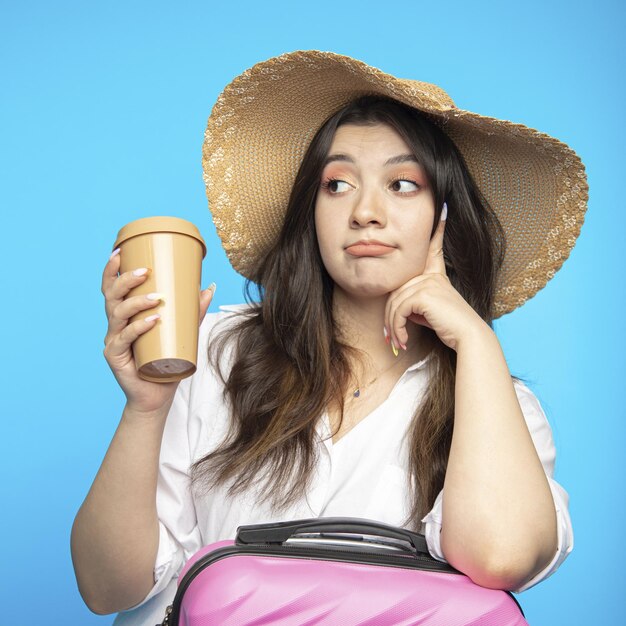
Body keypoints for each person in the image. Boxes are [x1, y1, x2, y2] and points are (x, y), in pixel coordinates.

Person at [71, 51, 586, 625]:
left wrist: (475, 341)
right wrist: (145, 407)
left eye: (402, 184)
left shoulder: (499, 404)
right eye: (337, 184)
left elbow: (501, 558)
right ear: (310, 213)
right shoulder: (218, 352)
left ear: (446, 218)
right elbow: (105, 588)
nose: (366, 212)